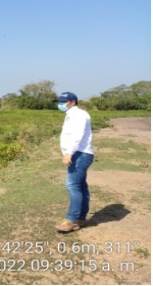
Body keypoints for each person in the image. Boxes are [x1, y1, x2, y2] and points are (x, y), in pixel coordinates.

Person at [54, 92, 94, 232]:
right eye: (59, 102)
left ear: (72, 102)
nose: (60, 104)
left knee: (73, 186)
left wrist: (69, 152)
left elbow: (78, 135)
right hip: (78, 153)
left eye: (62, 102)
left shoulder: (79, 115)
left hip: (79, 154)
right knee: (80, 185)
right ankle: (81, 217)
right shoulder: (71, 115)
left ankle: (72, 220)